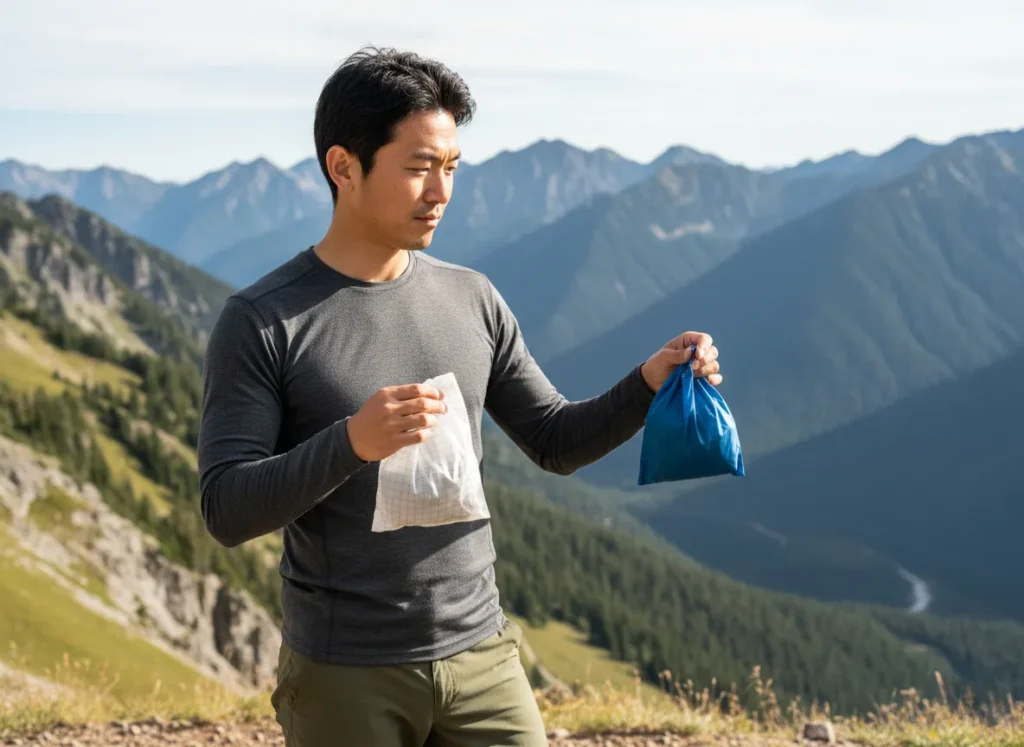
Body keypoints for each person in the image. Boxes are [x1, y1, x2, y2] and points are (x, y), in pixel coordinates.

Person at [197, 46, 722, 747]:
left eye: (450, 169)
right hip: (345, 669)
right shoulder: (264, 319)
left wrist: (648, 383)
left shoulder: (472, 298)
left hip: (482, 655)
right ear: (343, 167)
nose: (440, 192)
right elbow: (226, 507)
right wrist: (351, 442)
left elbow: (556, 441)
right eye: (418, 169)